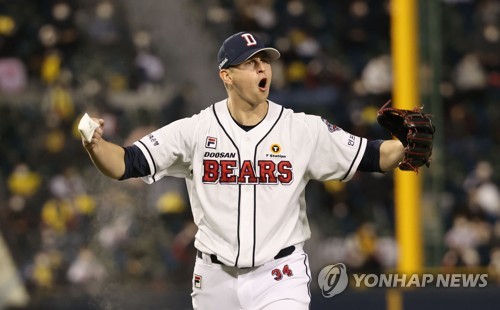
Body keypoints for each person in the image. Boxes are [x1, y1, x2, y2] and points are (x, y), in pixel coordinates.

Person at [82, 32, 405, 309]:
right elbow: (125, 163)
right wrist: (95, 144)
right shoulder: (195, 130)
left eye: (265, 60)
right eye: (250, 62)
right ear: (227, 76)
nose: (262, 67)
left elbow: (372, 155)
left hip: (280, 274)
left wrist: (405, 145)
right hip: (214, 280)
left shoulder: (301, 129)